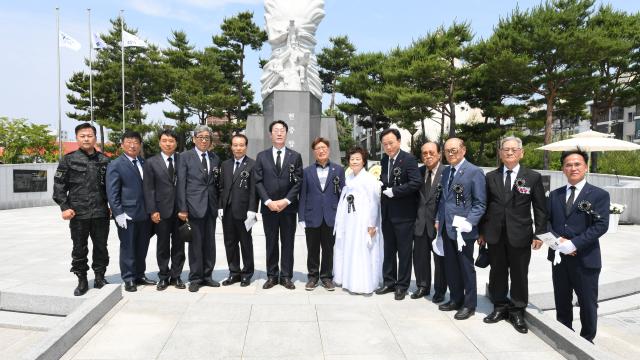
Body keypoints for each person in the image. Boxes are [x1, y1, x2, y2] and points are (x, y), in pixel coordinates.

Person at [479, 136, 547, 333]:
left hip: (521, 234)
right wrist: (481, 232)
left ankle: (517, 311)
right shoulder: (490, 177)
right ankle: (499, 307)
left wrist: (539, 233)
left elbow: (541, 208)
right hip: (495, 235)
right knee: (497, 272)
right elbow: (485, 207)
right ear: (500, 153)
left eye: (513, 149)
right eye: (505, 149)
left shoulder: (532, 177)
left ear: (521, 152)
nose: (509, 152)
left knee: (519, 274)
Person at [547, 149, 609, 343]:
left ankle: (587, 340)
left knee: (588, 303)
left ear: (586, 167)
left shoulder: (599, 195)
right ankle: (565, 336)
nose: (573, 168)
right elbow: (546, 223)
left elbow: (601, 225)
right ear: (563, 168)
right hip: (559, 259)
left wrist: (574, 244)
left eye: (577, 164)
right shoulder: (554, 195)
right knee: (562, 301)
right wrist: (559, 243)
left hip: (585, 259)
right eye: (568, 164)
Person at [53, 122, 111, 296]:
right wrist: (64, 206)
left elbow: (111, 186)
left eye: (90, 135)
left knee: (101, 246)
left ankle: (100, 277)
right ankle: (82, 279)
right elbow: (59, 185)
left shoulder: (105, 160)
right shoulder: (68, 159)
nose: (86, 139)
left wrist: (111, 206)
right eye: (82, 136)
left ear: (95, 138)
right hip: (78, 213)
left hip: (101, 212)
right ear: (77, 138)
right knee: (79, 248)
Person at [436, 138, 486, 320]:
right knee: (450, 267)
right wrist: (438, 220)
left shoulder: (474, 172)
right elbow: (444, 200)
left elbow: (480, 203)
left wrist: (470, 222)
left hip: (463, 230)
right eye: (447, 150)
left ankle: (469, 304)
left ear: (463, 150)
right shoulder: (446, 172)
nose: (451, 153)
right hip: (447, 228)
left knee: (465, 268)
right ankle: (455, 299)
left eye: (454, 150)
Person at [253, 120, 303, 290]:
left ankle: (287, 276)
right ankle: (272, 276)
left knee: (288, 242)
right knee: (271, 242)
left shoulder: (295, 156)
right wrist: (268, 202)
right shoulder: (262, 156)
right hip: (269, 208)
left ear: (286, 134)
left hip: (288, 208)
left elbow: (298, 182)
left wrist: (285, 201)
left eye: (282, 130)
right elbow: (258, 182)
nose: (279, 133)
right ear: (270, 134)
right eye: (276, 130)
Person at [376, 128, 422, 300]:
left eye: (391, 143)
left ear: (399, 141)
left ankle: (402, 285)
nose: (388, 147)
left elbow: (415, 183)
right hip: (387, 214)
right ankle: (389, 282)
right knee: (388, 251)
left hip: (404, 215)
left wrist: (395, 191)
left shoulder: (408, 159)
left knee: (404, 252)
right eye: (385, 144)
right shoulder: (383, 160)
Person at [106, 130, 154, 292]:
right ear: (122, 144)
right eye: (129, 142)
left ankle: (140, 274)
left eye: (136, 142)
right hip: (127, 214)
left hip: (144, 213)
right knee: (128, 247)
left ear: (140, 145)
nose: (132, 145)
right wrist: (118, 213)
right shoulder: (116, 164)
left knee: (142, 246)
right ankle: (128, 278)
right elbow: (112, 192)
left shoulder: (143, 162)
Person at [177, 125, 222, 292]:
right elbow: (181, 183)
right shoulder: (185, 157)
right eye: (201, 137)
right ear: (194, 138)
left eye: (207, 138)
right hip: (193, 206)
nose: (204, 140)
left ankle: (208, 275)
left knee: (210, 243)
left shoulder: (215, 158)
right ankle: (195, 277)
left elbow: (217, 184)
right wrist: (182, 208)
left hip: (210, 206)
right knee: (195, 244)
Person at [333, 147, 383, 294]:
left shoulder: (369, 179)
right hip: (349, 221)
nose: (354, 161)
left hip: (363, 221)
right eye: (352, 159)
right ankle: (348, 280)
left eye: (357, 159)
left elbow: (374, 203)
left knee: (362, 250)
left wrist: (371, 224)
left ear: (363, 161)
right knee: (350, 248)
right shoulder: (348, 178)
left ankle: (363, 283)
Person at [298, 137, 345, 291]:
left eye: (324, 147)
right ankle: (312, 277)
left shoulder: (338, 170)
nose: (321, 150)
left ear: (328, 150)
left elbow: (342, 194)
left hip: (331, 216)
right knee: (312, 249)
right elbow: (303, 195)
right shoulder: (307, 171)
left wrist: (342, 216)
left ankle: (326, 277)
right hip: (312, 216)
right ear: (314, 152)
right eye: (318, 148)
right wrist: (301, 217)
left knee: (328, 249)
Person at [143, 129, 185, 291]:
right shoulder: (151, 162)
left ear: (176, 143)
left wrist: (185, 208)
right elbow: (149, 189)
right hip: (161, 211)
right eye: (165, 140)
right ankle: (163, 276)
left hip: (180, 211)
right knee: (162, 245)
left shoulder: (182, 160)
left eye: (171, 141)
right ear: (160, 142)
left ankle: (176, 276)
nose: (168, 143)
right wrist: (152, 210)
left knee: (179, 245)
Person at [218, 134, 258, 287]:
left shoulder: (252, 164)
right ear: (231, 147)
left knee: (245, 243)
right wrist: (220, 206)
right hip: (227, 211)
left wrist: (252, 209)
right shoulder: (225, 164)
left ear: (246, 147)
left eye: (241, 145)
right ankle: (234, 272)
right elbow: (221, 188)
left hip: (244, 212)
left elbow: (254, 190)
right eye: (235, 145)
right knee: (230, 243)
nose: (238, 148)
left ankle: (247, 273)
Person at [412, 141, 447, 302]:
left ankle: (439, 290)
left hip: (438, 224)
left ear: (439, 154)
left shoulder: (446, 173)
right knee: (420, 258)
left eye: (431, 152)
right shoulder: (417, 172)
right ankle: (422, 286)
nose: (428, 156)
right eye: (424, 153)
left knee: (440, 260)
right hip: (420, 223)